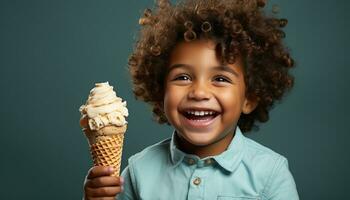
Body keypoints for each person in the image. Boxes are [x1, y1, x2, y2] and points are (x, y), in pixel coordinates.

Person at [83, 0, 299, 199]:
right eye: (183, 77)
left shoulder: (271, 173)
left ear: (249, 98)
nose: (199, 92)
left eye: (220, 78)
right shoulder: (138, 172)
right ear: (160, 91)